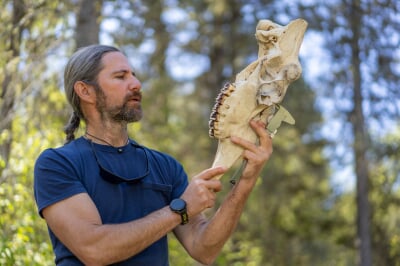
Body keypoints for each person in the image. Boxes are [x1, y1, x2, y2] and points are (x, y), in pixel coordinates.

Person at [34, 44, 273, 266]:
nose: (136, 84)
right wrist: (179, 209)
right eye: (120, 76)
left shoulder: (164, 166)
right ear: (85, 91)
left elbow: (204, 249)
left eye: (134, 75)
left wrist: (247, 179)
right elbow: (94, 249)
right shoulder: (58, 164)